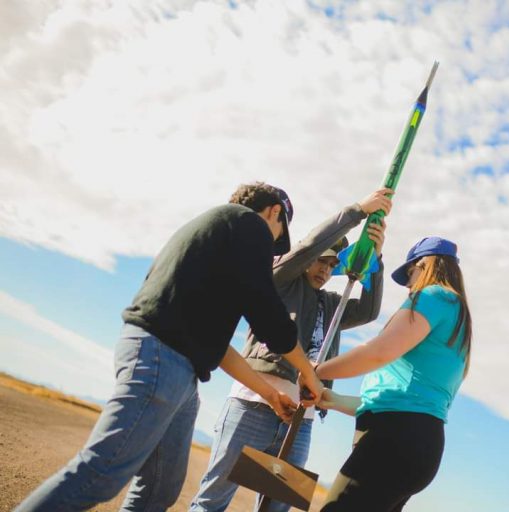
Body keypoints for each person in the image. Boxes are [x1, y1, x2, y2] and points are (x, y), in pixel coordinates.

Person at [16, 182, 324, 512]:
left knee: (160, 488)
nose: (272, 248)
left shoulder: (213, 242)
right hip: (163, 356)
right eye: (277, 236)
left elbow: (218, 348)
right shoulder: (248, 223)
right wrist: (307, 371)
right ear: (274, 211)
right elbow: (267, 314)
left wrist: (268, 393)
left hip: (178, 367)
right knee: (102, 472)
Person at [190, 188, 392, 512]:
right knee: (213, 500)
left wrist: (376, 261)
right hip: (252, 405)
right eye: (321, 260)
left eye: (332, 265)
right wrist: (356, 212)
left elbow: (368, 310)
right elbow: (308, 246)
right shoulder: (280, 279)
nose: (325, 270)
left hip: (302, 420)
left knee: (277, 508)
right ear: (307, 259)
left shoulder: (332, 305)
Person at [314, 236, 472, 512]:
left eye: (410, 275)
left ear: (424, 265)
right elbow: (398, 402)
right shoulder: (458, 322)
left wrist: (316, 371)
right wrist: (332, 398)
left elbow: (377, 352)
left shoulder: (434, 296)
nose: (409, 286)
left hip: (392, 441)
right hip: (419, 444)